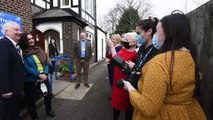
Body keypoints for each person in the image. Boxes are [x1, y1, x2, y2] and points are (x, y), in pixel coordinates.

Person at [123, 12, 206, 120]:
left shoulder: (159, 63)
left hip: (165, 115)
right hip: (189, 113)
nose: (155, 36)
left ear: (169, 33)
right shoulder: (189, 55)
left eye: (157, 31)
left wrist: (129, 88)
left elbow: (148, 108)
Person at [19, 32, 55, 120]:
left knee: (48, 94)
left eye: (32, 38)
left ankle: (48, 110)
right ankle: (34, 117)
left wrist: (45, 73)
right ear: (24, 41)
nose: (31, 40)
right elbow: (25, 67)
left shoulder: (38, 49)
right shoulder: (22, 53)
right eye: (29, 39)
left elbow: (46, 62)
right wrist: (39, 74)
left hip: (43, 77)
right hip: (30, 80)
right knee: (31, 101)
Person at [106, 32, 138, 120]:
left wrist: (112, 47)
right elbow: (114, 57)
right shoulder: (123, 50)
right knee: (115, 107)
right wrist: (108, 58)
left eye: (126, 40)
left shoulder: (134, 55)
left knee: (127, 109)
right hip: (116, 82)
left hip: (125, 85)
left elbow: (120, 62)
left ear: (134, 42)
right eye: (123, 39)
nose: (124, 41)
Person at [0, 22, 25, 120]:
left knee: (14, 114)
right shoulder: (4, 43)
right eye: (16, 30)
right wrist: (5, 89)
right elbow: (2, 67)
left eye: (19, 29)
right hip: (9, 92)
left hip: (15, 90)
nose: (19, 32)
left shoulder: (12, 45)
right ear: (7, 32)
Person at [126, 17, 159, 88]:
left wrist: (135, 67)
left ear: (149, 31)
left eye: (138, 33)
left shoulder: (157, 50)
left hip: (146, 89)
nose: (137, 36)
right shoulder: (141, 48)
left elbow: (153, 74)